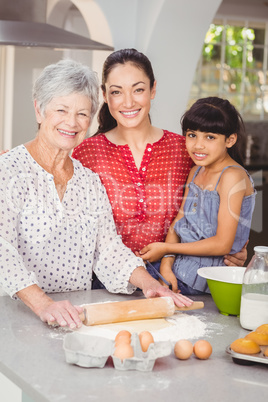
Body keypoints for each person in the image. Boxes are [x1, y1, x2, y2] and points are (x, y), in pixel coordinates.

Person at [0, 59, 193, 329]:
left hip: (76, 315)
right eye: (61, 110)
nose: (72, 122)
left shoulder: (89, 181)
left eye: (82, 113)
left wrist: (150, 285)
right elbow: (2, 251)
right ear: (39, 110)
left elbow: (108, 249)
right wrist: (44, 303)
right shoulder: (7, 170)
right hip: (17, 316)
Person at [72, 49, 247, 288]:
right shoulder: (86, 153)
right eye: (116, 92)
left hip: (176, 280)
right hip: (105, 282)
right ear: (104, 95)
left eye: (138, 89)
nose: (129, 101)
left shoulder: (185, 149)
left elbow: (208, 216)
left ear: (153, 90)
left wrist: (234, 250)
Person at [138, 97, 256, 294]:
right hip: (178, 273)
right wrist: (167, 265)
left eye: (210, 137)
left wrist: (166, 248)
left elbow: (222, 244)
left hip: (208, 283)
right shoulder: (196, 172)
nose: (198, 145)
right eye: (192, 135)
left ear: (230, 140)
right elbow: (179, 221)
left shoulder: (232, 176)